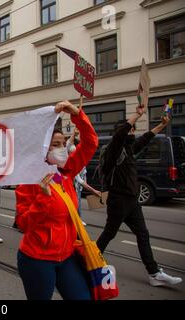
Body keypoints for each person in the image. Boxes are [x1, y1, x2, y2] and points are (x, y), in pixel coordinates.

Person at [15, 100, 98, 300]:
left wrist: (77, 114)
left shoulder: (67, 172)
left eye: (63, 144)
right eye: (56, 145)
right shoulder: (30, 180)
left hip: (67, 256)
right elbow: (23, 224)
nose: (63, 149)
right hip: (37, 259)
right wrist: (43, 200)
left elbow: (90, 144)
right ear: (43, 149)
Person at [96, 106, 182, 287]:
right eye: (131, 129)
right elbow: (120, 135)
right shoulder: (114, 151)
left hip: (132, 202)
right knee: (109, 233)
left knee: (143, 235)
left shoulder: (129, 149)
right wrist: (137, 115)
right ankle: (89, 259)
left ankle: (154, 273)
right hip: (118, 201)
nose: (133, 132)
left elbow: (145, 139)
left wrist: (160, 125)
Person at [66, 129, 101, 226]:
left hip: (76, 187)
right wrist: (94, 191)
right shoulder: (70, 162)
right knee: (74, 203)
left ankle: (77, 219)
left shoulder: (81, 161)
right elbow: (79, 180)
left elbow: (82, 178)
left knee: (78, 202)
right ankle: (75, 221)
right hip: (70, 187)